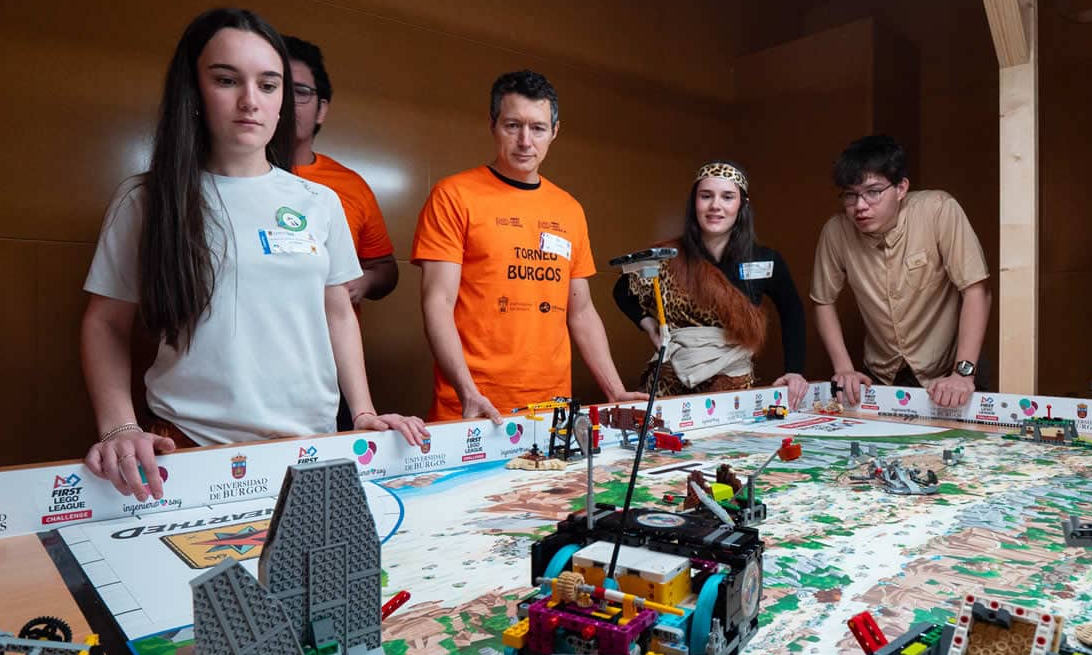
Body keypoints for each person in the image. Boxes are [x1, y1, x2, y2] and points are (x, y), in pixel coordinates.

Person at [80, 8, 427, 503]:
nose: (250, 101)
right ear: (193, 90)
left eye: (268, 85)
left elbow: (337, 312)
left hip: (312, 444)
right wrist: (119, 427)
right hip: (190, 446)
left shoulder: (319, 201)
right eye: (226, 80)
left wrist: (364, 411)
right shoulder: (147, 200)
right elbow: (106, 322)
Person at [412, 69, 644, 423]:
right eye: (512, 125)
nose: (525, 141)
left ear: (554, 131)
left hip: (550, 409)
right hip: (473, 407)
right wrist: (467, 391)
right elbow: (437, 302)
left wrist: (615, 390)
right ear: (492, 125)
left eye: (537, 128)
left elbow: (581, 312)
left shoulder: (568, 209)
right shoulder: (453, 195)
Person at [810, 135, 991, 409]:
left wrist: (963, 373)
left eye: (873, 192)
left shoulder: (938, 209)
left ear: (901, 188)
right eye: (850, 195)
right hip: (882, 375)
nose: (860, 206)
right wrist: (844, 368)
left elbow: (976, 290)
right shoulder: (836, 231)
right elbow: (823, 300)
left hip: (951, 371)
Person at [613, 161, 809, 408]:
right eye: (706, 196)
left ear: (742, 204)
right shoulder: (667, 257)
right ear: (694, 202)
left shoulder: (765, 260)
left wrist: (794, 370)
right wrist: (649, 325)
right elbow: (622, 290)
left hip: (731, 391)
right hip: (669, 388)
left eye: (727, 197)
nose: (715, 205)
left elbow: (792, 311)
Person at [283, 34, 399, 429]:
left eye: (299, 92)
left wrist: (360, 283)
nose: (285, 102)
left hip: (331, 370)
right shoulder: (220, 183)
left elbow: (386, 268)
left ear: (321, 109)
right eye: (273, 87)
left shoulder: (344, 188)